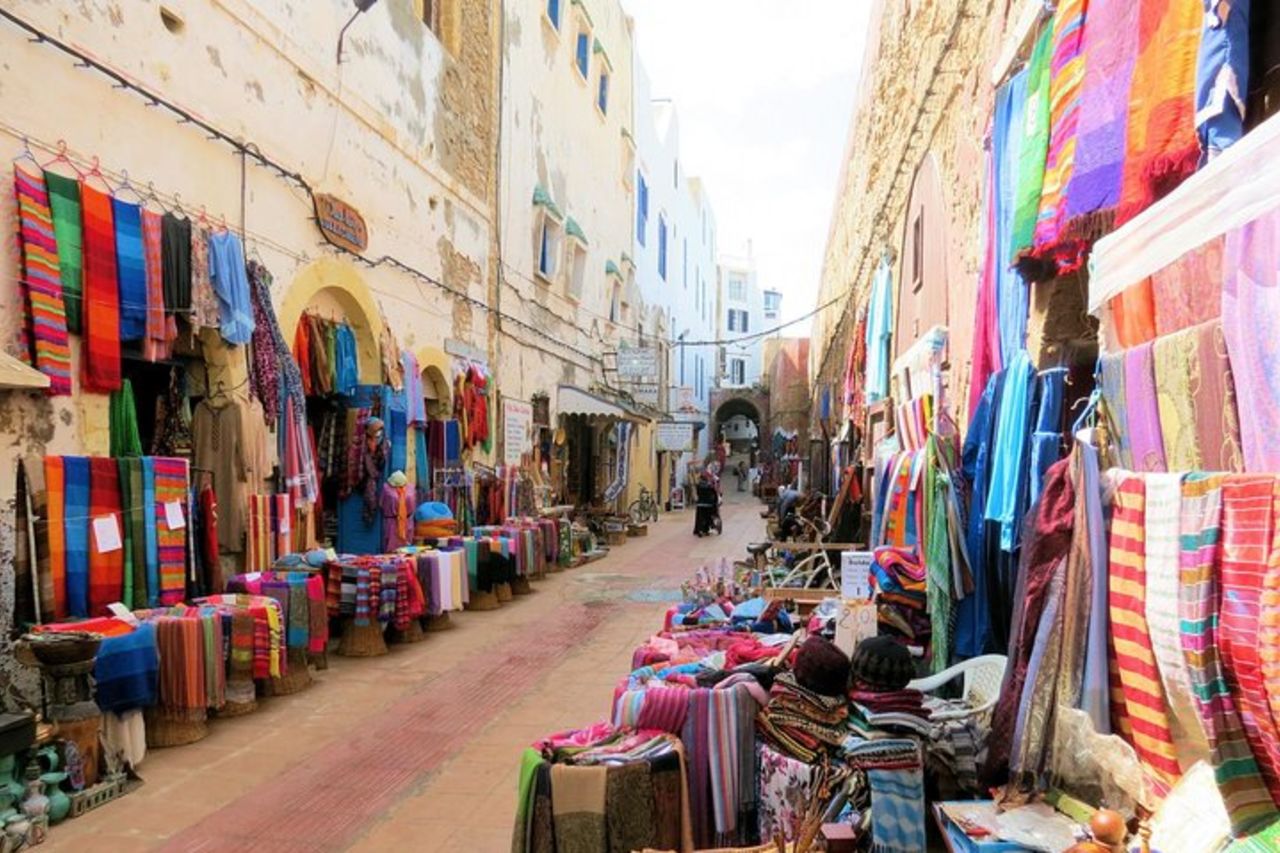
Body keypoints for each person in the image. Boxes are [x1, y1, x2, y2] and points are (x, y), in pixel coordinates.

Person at [694, 472, 720, 537]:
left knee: (700, 518)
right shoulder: (710, 486)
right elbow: (714, 494)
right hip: (709, 504)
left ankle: (699, 530)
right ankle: (706, 530)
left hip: (700, 504)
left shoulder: (698, 485)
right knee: (707, 517)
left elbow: (698, 493)